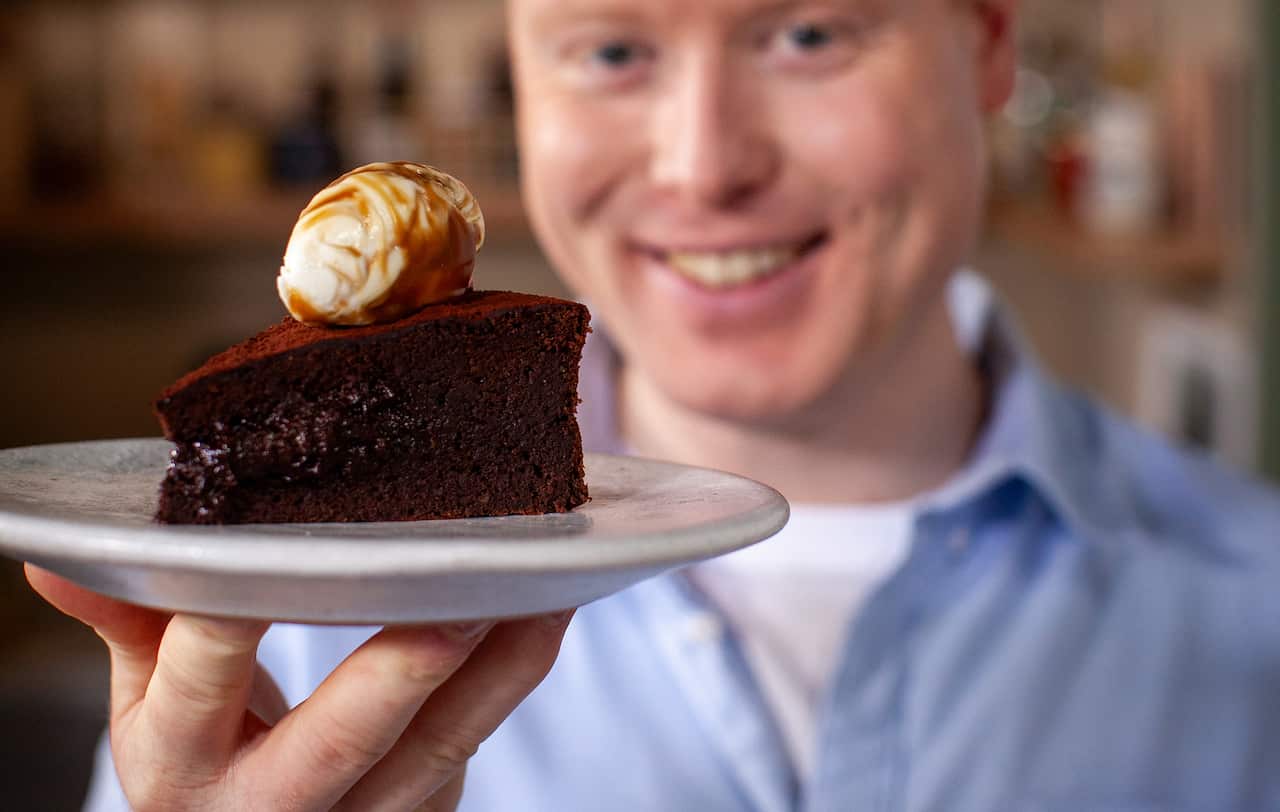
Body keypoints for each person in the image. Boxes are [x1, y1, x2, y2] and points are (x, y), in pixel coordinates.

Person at [28, 0, 1280, 809]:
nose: (702, 164)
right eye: (612, 50)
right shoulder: (270, 640)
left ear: (990, 47)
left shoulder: (1255, 605)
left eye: (806, 35)